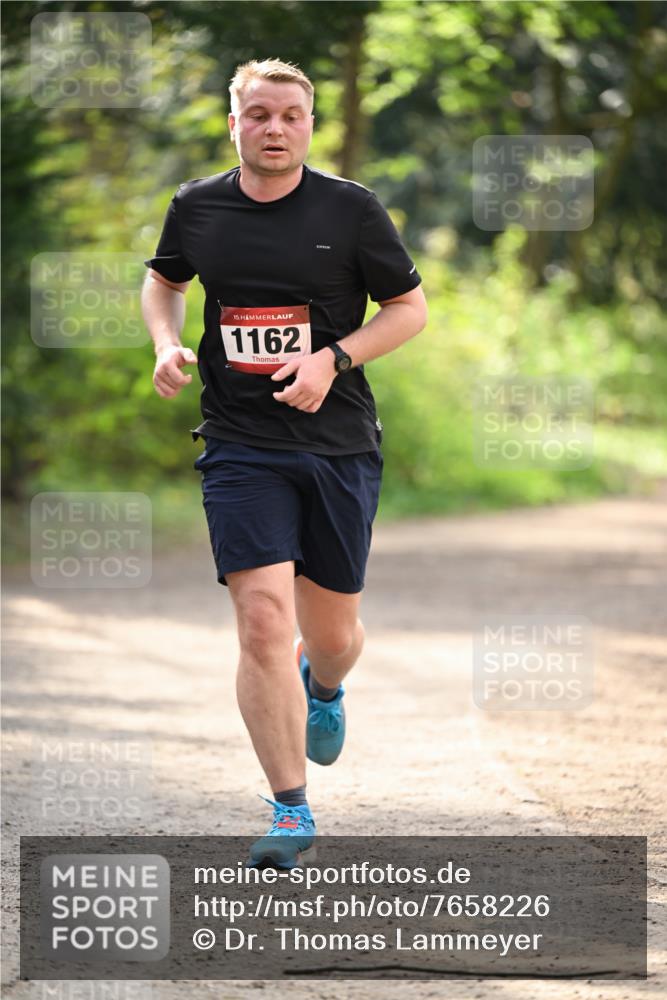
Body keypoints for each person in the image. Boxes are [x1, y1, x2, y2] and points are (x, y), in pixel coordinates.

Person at [141, 58, 427, 868]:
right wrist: (165, 342)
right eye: (258, 114)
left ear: (309, 124)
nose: (274, 128)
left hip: (337, 443)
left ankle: (325, 684)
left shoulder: (350, 209)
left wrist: (331, 359)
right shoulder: (197, 206)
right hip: (239, 441)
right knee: (262, 617)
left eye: (290, 116)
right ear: (232, 122)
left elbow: (408, 309)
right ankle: (290, 809)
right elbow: (163, 281)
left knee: (330, 635)